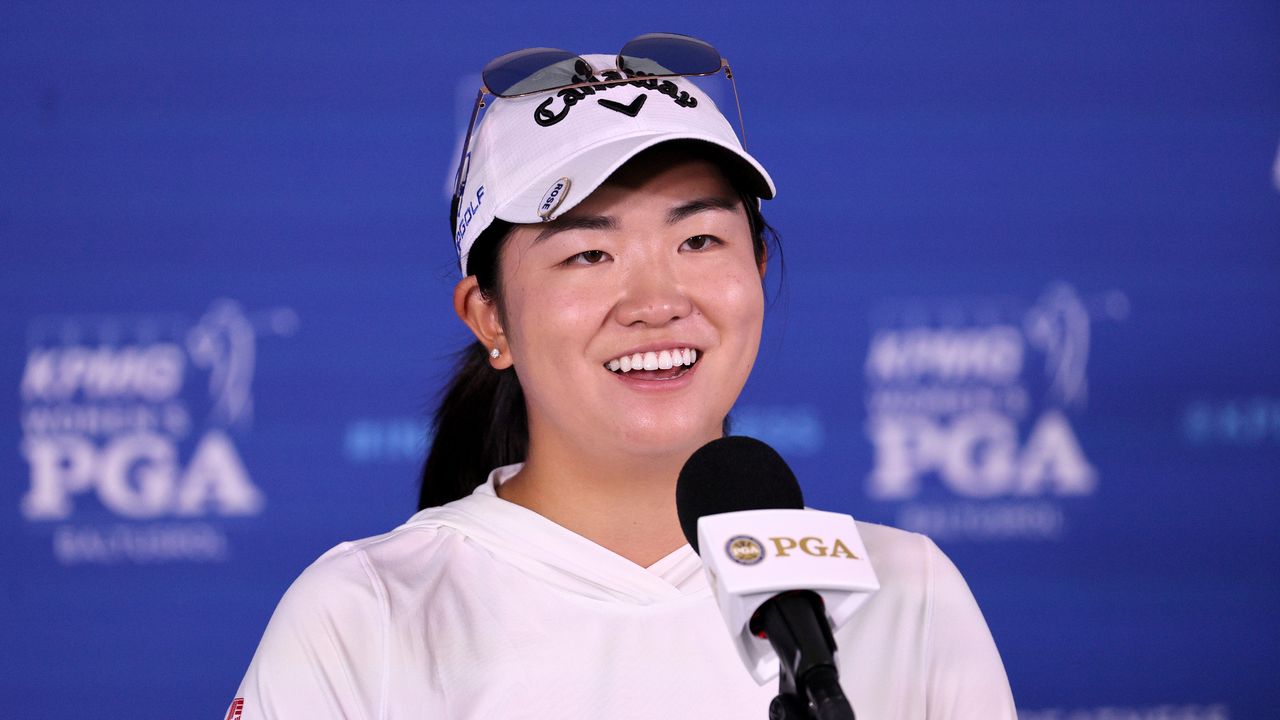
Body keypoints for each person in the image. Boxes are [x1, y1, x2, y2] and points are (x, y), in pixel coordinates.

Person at [230, 33, 1017, 719]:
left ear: (760, 266)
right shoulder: (366, 616)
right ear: (489, 317)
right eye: (588, 255)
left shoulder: (906, 592)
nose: (656, 302)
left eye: (700, 241)